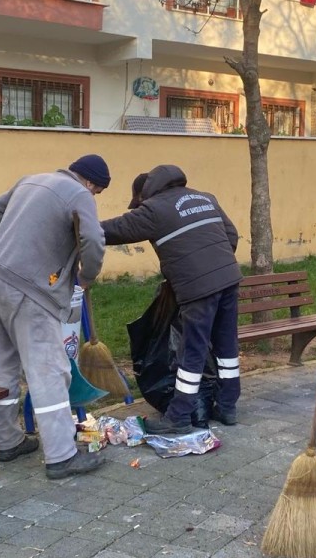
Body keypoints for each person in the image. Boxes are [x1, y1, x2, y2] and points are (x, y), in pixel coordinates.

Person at [0, 154, 111, 479]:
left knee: (2, 365)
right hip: (31, 289)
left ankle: (8, 442)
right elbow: (93, 240)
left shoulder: (30, 180)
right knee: (48, 369)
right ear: (92, 182)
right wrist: (87, 275)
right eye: (98, 192)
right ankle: (62, 456)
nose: (94, 197)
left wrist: (15, 250)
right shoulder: (78, 193)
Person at [102, 164, 241, 435]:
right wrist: (215, 263)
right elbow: (231, 236)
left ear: (145, 195)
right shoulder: (204, 197)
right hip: (229, 278)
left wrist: (75, 225)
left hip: (198, 286)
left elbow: (115, 229)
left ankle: (178, 417)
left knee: (193, 350)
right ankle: (227, 407)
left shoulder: (154, 209)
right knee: (226, 346)